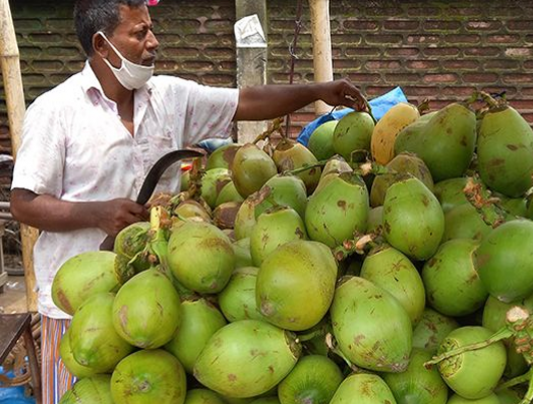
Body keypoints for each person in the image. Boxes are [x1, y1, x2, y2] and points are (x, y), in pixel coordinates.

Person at [9, 0, 366, 402]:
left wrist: (320, 91)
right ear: (102, 44)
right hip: (82, 301)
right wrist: (97, 212)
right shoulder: (56, 111)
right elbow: (24, 202)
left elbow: (245, 101)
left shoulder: (168, 98)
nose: (153, 42)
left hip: (162, 297)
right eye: (139, 33)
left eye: (151, 30)